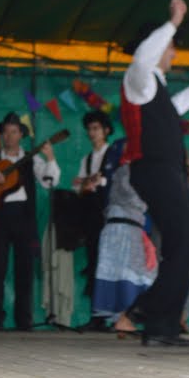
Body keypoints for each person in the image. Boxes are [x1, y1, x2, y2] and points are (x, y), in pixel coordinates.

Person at [120, 0, 189, 349]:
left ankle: (162, 322)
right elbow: (145, 57)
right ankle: (149, 315)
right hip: (154, 171)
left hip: (166, 172)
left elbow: (172, 111)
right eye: (170, 47)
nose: (173, 54)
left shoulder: (153, 87)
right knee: (184, 242)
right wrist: (174, 20)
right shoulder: (138, 77)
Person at [0, 113, 61, 331]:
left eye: (14, 131)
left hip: (24, 218)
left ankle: (23, 320)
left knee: (24, 270)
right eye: (6, 131)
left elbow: (49, 181)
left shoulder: (31, 159)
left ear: (21, 135)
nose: (9, 136)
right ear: (1, 134)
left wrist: (50, 157)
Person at [90, 162, 155, 334]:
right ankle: (122, 319)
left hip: (130, 227)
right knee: (125, 274)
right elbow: (129, 195)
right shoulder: (126, 170)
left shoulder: (136, 170)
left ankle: (122, 319)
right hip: (121, 227)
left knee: (132, 274)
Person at [72, 109, 122, 302]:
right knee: (94, 259)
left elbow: (118, 183)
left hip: (111, 214)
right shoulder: (87, 159)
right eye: (89, 129)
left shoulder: (114, 154)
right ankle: (97, 313)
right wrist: (85, 184)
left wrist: (97, 182)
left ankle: (111, 311)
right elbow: (77, 187)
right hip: (91, 215)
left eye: (96, 128)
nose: (92, 133)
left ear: (106, 130)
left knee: (110, 262)